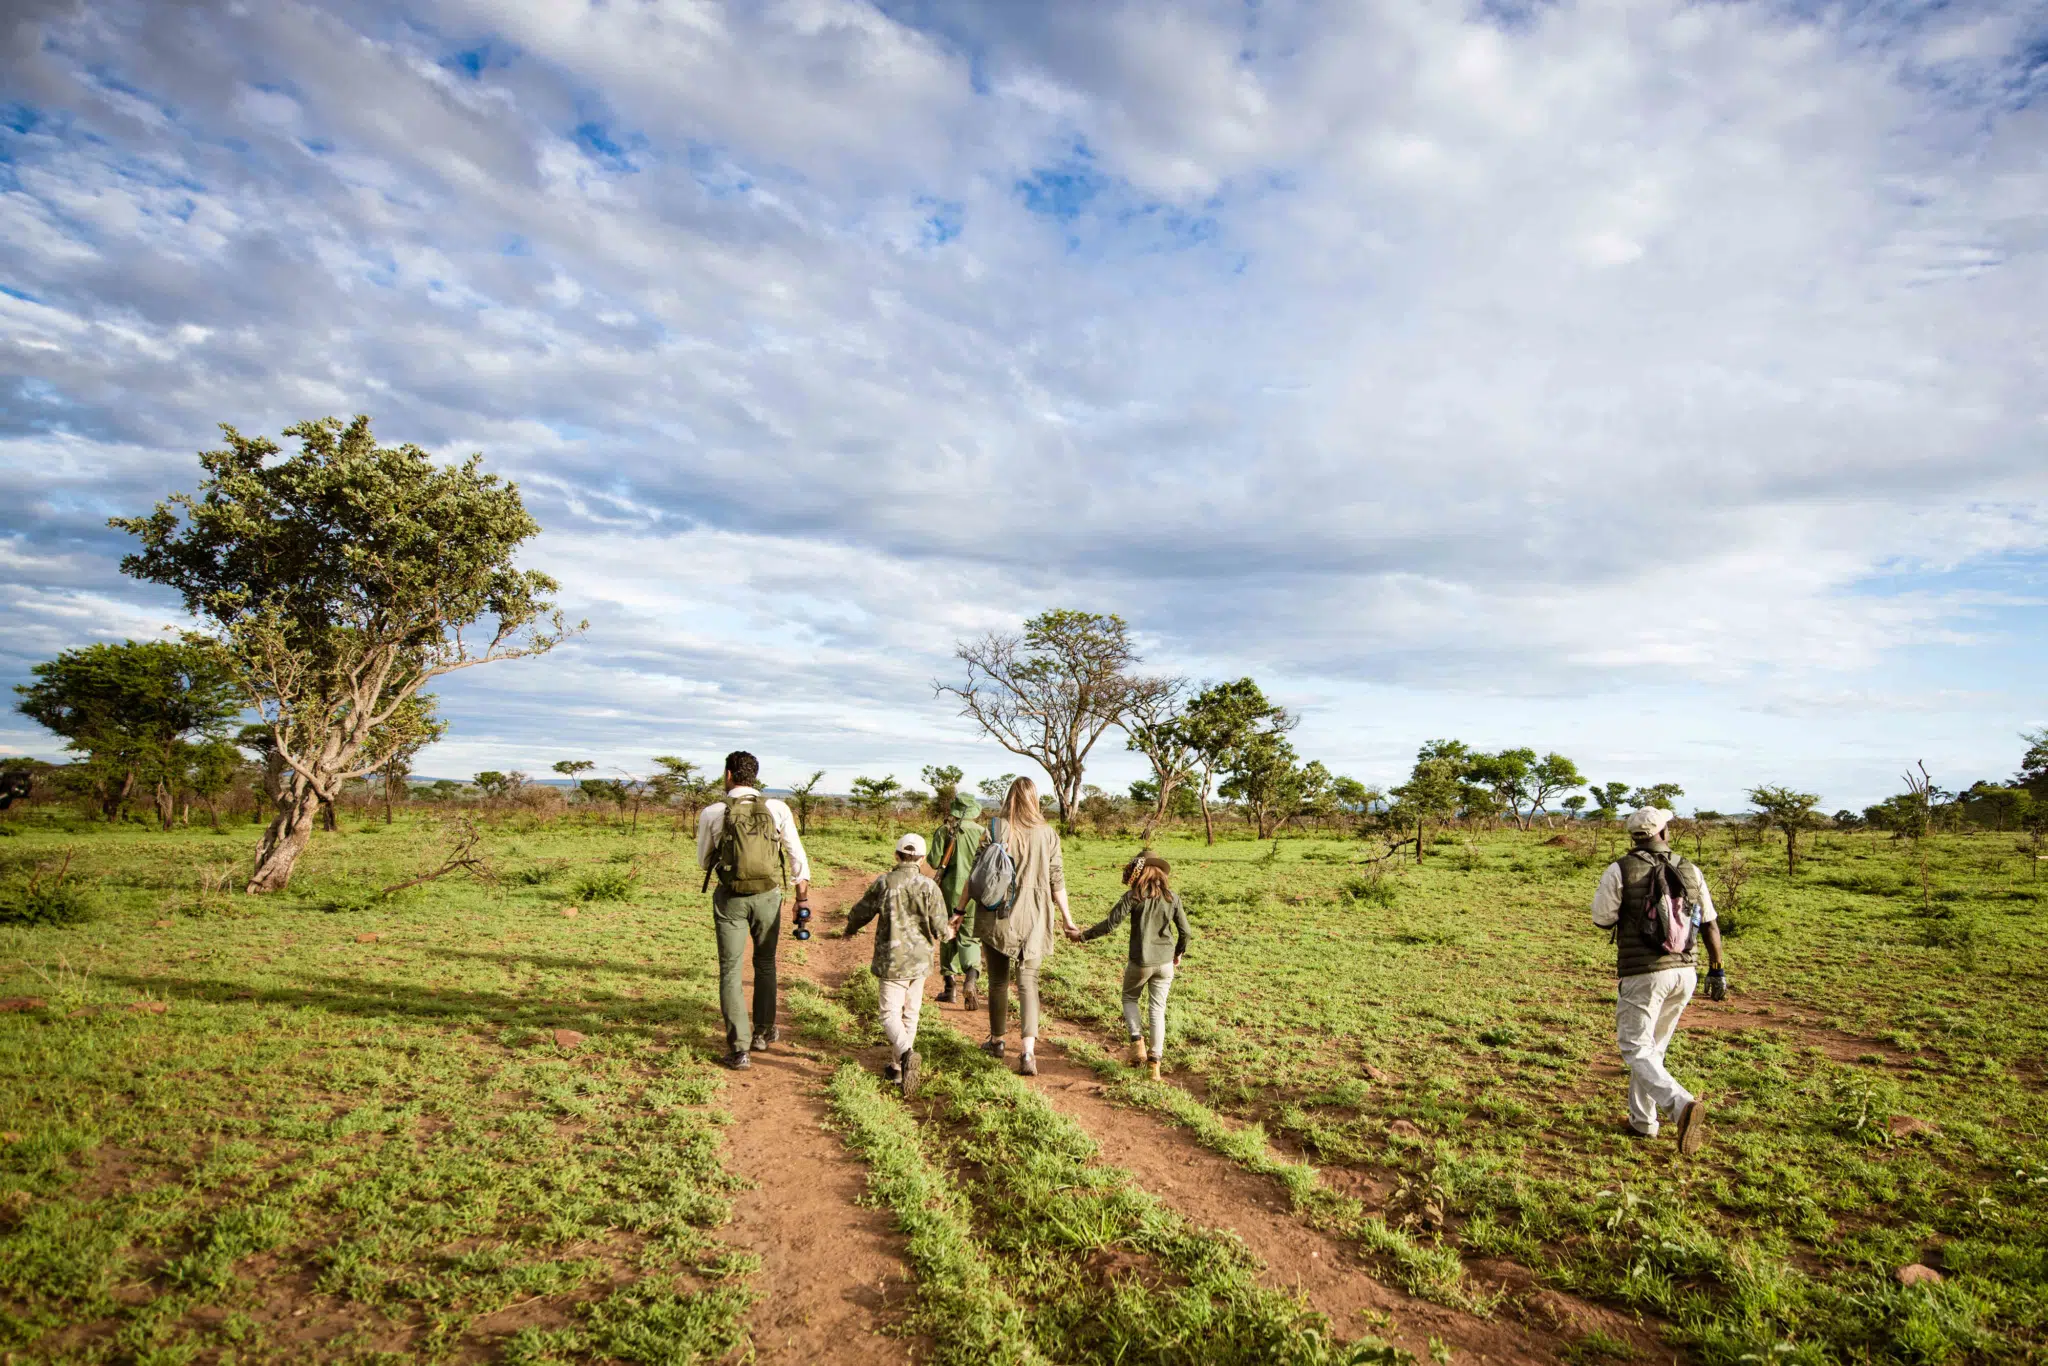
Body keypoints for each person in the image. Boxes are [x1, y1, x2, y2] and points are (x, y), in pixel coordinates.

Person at [1590, 806, 1728, 1151]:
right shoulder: (1690, 868)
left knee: (1635, 1047)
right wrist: (1717, 969)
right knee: (1653, 1049)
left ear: (1634, 836)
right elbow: (1710, 923)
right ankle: (1642, 1123)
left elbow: (1602, 920)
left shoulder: (1619, 869)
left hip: (1645, 973)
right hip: (1686, 971)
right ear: (1664, 833)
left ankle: (1680, 1107)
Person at [696, 750, 812, 1070]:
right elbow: (796, 856)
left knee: (731, 971)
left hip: (730, 899)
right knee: (765, 963)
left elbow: (704, 861)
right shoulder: (778, 809)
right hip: (768, 897)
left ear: (729, 775)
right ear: (755, 776)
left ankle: (739, 1049)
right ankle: (762, 1032)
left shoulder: (713, 812)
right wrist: (802, 899)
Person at [978, 775, 1079, 1076]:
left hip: (998, 914)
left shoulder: (996, 828)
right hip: (1036, 915)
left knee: (997, 982)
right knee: (1028, 982)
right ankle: (1027, 1053)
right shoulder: (1048, 834)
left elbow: (978, 874)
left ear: (1008, 797)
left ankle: (997, 1041)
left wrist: (959, 910)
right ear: (1035, 799)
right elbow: (1056, 880)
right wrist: (1067, 918)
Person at [842, 833, 952, 1098]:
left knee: (888, 1014)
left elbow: (861, 912)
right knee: (910, 1014)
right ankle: (897, 1068)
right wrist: (950, 932)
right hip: (920, 962)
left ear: (896, 855)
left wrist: (849, 928)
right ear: (922, 859)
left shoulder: (884, 883)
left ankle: (905, 1054)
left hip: (892, 961)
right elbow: (941, 929)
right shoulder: (929, 887)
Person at [1068, 853, 1190, 1080]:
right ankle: (1155, 1064)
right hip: (1165, 963)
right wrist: (1178, 953)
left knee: (1129, 998)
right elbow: (1186, 931)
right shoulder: (1173, 898)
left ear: (1140, 871)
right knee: (1157, 1010)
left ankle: (1137, 1044)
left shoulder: (1134, 897)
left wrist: (1082, 936)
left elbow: (1110, 924)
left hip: (1140, 961)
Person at [930, 792, 986, 1008]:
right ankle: (971, 978)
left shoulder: (945, 831)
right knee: (970, 939)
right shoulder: (984, 833)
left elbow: (935, 861)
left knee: (948, 936)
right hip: (976, 893)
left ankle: (949, 987)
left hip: (949, 893)